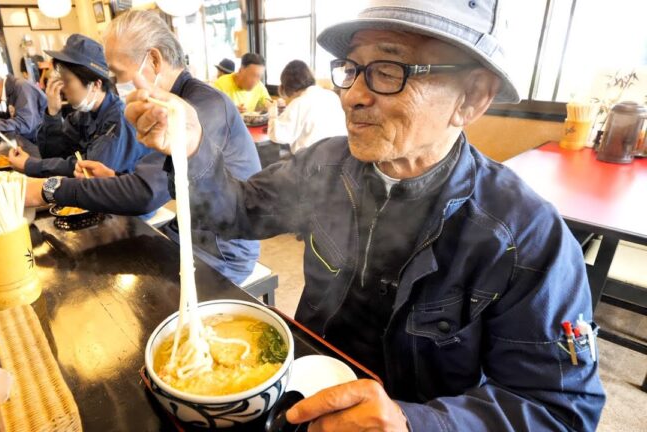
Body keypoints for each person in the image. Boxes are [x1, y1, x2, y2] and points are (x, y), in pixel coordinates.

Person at [123, 0, 606, 430]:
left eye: (389, 70)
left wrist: (414, 423)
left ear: (472, 97)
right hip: (302, 391)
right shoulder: (326, 164)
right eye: (351, 69)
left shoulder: (525, 236)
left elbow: (559, 409)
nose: (352, 95)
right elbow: (238, 213)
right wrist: (192, 148)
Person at [23, 10, 262, 285]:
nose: (116, 85)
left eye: (118, 73)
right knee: (98, 262)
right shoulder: (168, 103)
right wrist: (115, 179)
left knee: (109, 283)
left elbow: (146, 194)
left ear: (154, 59)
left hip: (222, 248)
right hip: (190, 229)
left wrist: (50, 189)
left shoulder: (201, 106)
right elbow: (154, 181)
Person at [7, 34, 152, 178]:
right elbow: (53, 154)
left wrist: (31, 165)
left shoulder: (118, 120)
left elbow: (89, 170)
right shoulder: (82, 114)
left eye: (67, 80)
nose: (62, 88)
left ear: (95, 84)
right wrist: (53, 113)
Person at [266, 60, 347, 153]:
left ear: (289, 86)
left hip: (312, 162)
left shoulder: (299, 103)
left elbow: (278, 136)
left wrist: (272, 113)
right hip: (339, 156)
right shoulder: (332, 96)